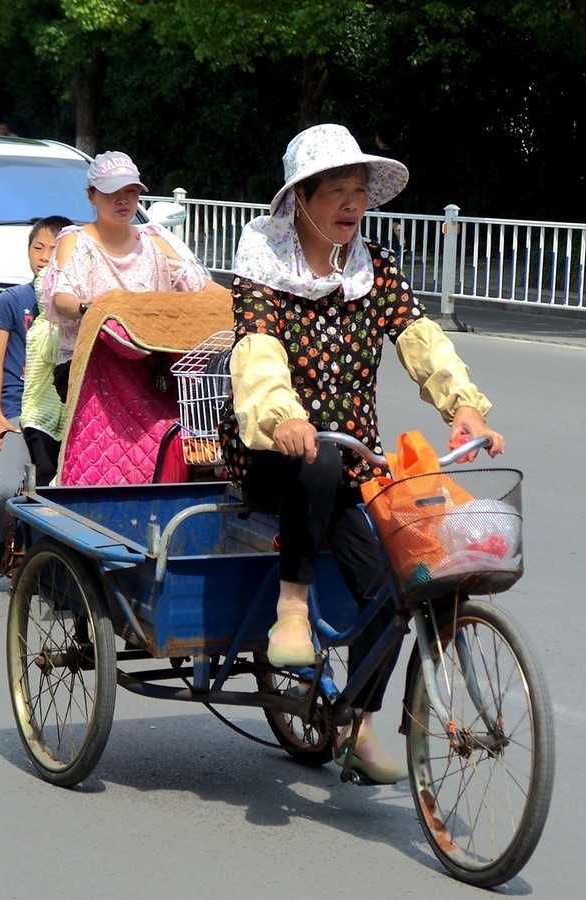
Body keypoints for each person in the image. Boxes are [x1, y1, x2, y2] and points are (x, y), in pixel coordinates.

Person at [217, 123, 505, 784]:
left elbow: (418, 335)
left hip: (348, 461)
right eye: (337, 192)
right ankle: (292, 610)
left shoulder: (372, 267)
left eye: (358, 193)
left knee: (394, 590)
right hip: (275, 456)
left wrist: (462, 404)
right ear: (301, 202)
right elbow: (257, 357)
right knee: (313, 456)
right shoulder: (266, 269)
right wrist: (283, 415)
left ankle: (356, 727)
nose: (351, 204)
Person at [43, 150, 209, 406]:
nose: (122, 200)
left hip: (151, 362)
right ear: (91, 196)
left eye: (130, 191)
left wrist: (240, 303)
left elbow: (201, 286)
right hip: (90, 361)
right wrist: (96, 309)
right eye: (112, 192)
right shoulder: (73, 240)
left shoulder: (155, 238)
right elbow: (63, 300)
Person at [0, 215, 72, 574]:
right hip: (17, 408)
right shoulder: (12, 301)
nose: (45, 256)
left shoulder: (73, 305)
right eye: (38, 248)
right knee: (6, 492)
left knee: (58, 487)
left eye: (54, 249)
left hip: (61, 409)